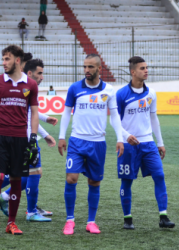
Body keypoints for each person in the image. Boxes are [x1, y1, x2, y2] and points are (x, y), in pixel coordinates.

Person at [0, 58, 57, 222]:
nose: (42, 77)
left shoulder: (28, 88)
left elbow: (31, 114)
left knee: (28, 173)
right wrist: (44, 134)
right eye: (39, 73)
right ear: (29, 72)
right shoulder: (22, 86)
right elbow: (29, 116)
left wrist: (45, 126)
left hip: (27, 136)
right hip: (22, 138)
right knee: (32, 173)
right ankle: (30, 210)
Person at [58, 54, 124, 235]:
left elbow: (115, 116)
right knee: (71, 178)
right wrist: (62, 136)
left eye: (90, 67)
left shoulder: (109, 90)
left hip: (98, 143)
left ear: (99, 69)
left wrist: (120, 138)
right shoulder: (74, 88)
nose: (86, 70)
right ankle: (70, 220)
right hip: (77, 141)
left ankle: (91, 221)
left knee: (94, 182)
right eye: (85, 67)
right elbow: (66, 114)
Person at [0, 45, 39, 236]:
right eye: (2, 59)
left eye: (7, 59)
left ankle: (11, 223)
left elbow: (34, 112)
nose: (3, 63)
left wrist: (33, 137)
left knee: (16, 179)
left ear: (17, 60)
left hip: (20, 139)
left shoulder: (30, 84)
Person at [115, 56, 175, 229]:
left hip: (148, 144)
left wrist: (160, 142)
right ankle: (127, 219)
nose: (146, 70)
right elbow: (114, 120)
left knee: (159, 176)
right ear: (133, 72)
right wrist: (126, 136)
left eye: (146, 67)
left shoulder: (151, 93)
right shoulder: (121, 94)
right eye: (142, 68)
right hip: (128, 146)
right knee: (127, 181)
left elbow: (153, 118)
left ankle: (163, 217)